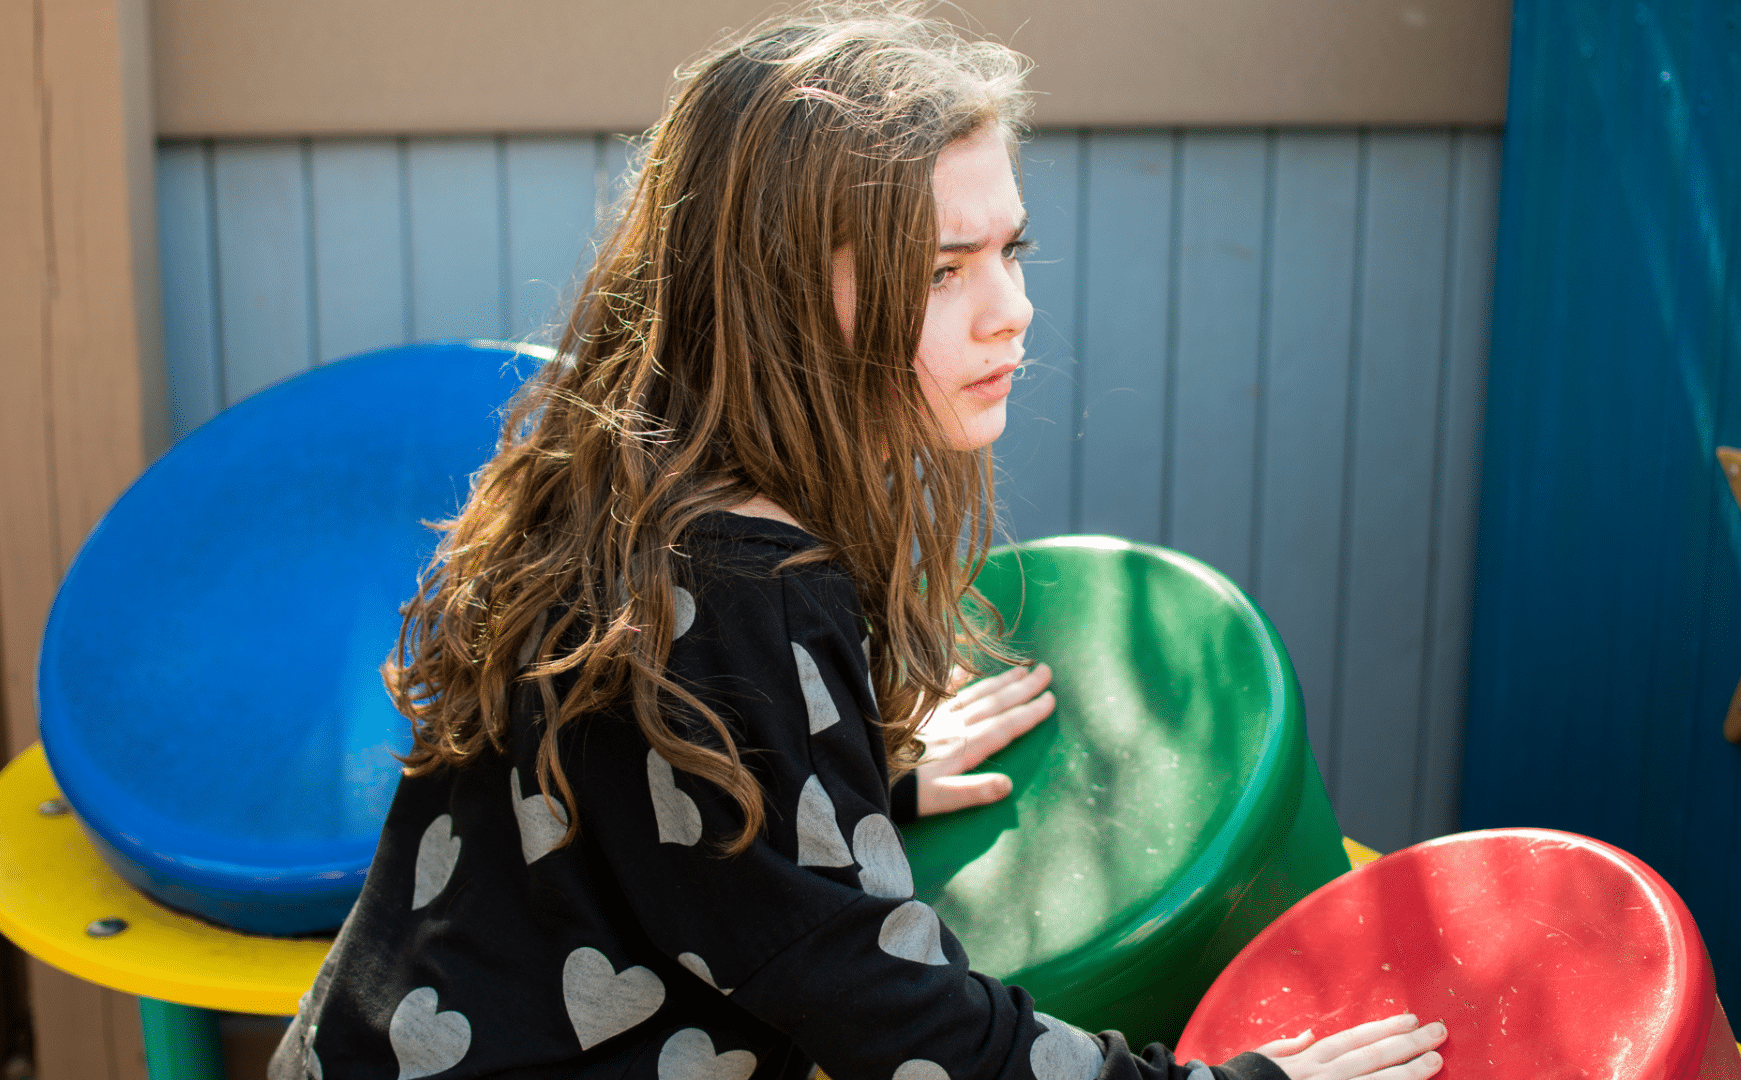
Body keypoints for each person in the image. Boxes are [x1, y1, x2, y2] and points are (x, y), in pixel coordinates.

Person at [270, 6, 1450, 1080]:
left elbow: (641, 799)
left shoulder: (627, 477)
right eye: (941, 272)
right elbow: (889, 1015)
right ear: (780, 294)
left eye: (1010, 251)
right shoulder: (738, 588)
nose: (1011, 308)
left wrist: (838, 787)